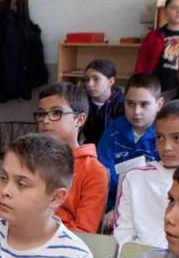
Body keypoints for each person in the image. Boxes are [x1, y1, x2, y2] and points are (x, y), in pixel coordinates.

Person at [113, 100, 179, 249]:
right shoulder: (135, 178)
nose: (167, 147)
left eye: (177, 138)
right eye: (160, 137)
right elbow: (123, 235)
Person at [31, 83, 109, 232]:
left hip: (61, 248)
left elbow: (85, 231)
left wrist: (35, 228)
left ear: (79, 120)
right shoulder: (28, 159)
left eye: (56, 113)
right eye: (41, 114)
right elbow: (2, 206)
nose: (45, 120)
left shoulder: (94, 171)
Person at [98, 73, 163, 201]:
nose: (136, 111)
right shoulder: (113, 130)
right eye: (130, 104)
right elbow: (103, 171)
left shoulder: (164, 135)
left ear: (159, 104)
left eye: (144, 104)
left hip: (150, 201)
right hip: (111, 200)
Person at [81, 59, 125, 145]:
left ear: (111, 81)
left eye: (96, 79)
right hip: (90, 150)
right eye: (87, 79)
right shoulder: (83, 101)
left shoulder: (122, 104)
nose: (89, 84)